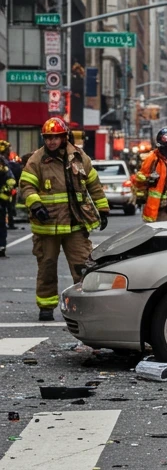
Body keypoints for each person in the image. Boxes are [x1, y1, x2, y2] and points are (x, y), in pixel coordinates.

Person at [18, 118, 108, 319]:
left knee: (82, 266)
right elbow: (26, 185)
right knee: (47, 267)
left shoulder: (78, 156)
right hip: (47, 226)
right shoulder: (37, 160)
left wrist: (103, 209)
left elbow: (93, 183)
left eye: (55, 137)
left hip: (75, 223)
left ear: (64, 137)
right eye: (48, 138)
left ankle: (83, 306)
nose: (51, 142)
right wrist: (36, 204)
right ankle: (46, 307)